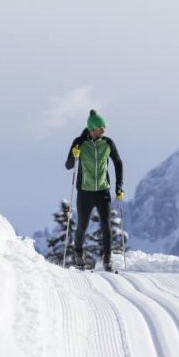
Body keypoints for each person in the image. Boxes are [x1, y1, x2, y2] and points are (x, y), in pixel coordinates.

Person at [65, 109, 123, 271]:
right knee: (82, 225)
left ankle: (107, 259)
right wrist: (74, 155)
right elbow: (69, 166)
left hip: (103, 190)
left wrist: (119, 186)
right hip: (85, 191)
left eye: (104, 128)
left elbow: (118, 162)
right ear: (92, 129)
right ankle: (79, 255)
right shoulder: (79, 142)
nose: (103, 131)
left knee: (106, 225)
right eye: (100, 128)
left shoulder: (108, 143)